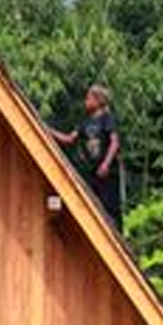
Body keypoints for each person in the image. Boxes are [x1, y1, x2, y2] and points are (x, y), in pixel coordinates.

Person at [49, 84, 123, 224]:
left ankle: (116, 236)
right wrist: (48, 130)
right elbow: (69, 139)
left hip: (108, 171)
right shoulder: (85, 122)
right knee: (93, 204)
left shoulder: (107, 118)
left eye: (88, 98)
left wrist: (106, 164)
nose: (85, 101)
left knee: (110, 207)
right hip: (92, 171)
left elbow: (115, 142)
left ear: (98, 101)